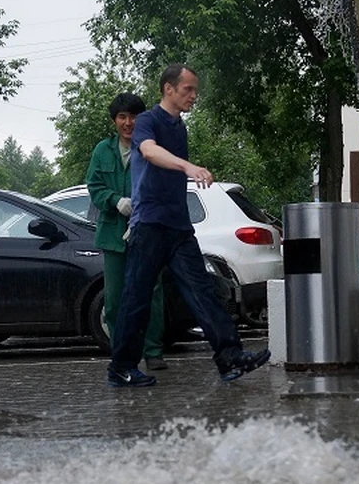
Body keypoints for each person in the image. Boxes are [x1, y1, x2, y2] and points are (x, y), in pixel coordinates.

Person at [107, 64, 270, 387]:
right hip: (149, 225)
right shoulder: (148, 122)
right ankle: (121, 368)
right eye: (188, 90)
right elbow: (150, 152)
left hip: (179, 227)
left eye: (195, 90)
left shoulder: (180, 128)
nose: (194, 96)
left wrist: (185, 169)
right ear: (169, 88)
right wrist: (188, 166)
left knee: (203, 291)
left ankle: (229, 357)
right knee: (136, 299)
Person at [86, 92, 168, 371]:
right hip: (112, 237)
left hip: (147, 234)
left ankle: (154, 351)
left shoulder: (152, 149)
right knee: (115, 299)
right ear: (114, 121)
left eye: (134, 116)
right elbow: (95, 188)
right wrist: (115, 201)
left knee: (151, 294)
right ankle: (122, 352)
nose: (128, 122)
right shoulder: (102, 151)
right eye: (122, 117)